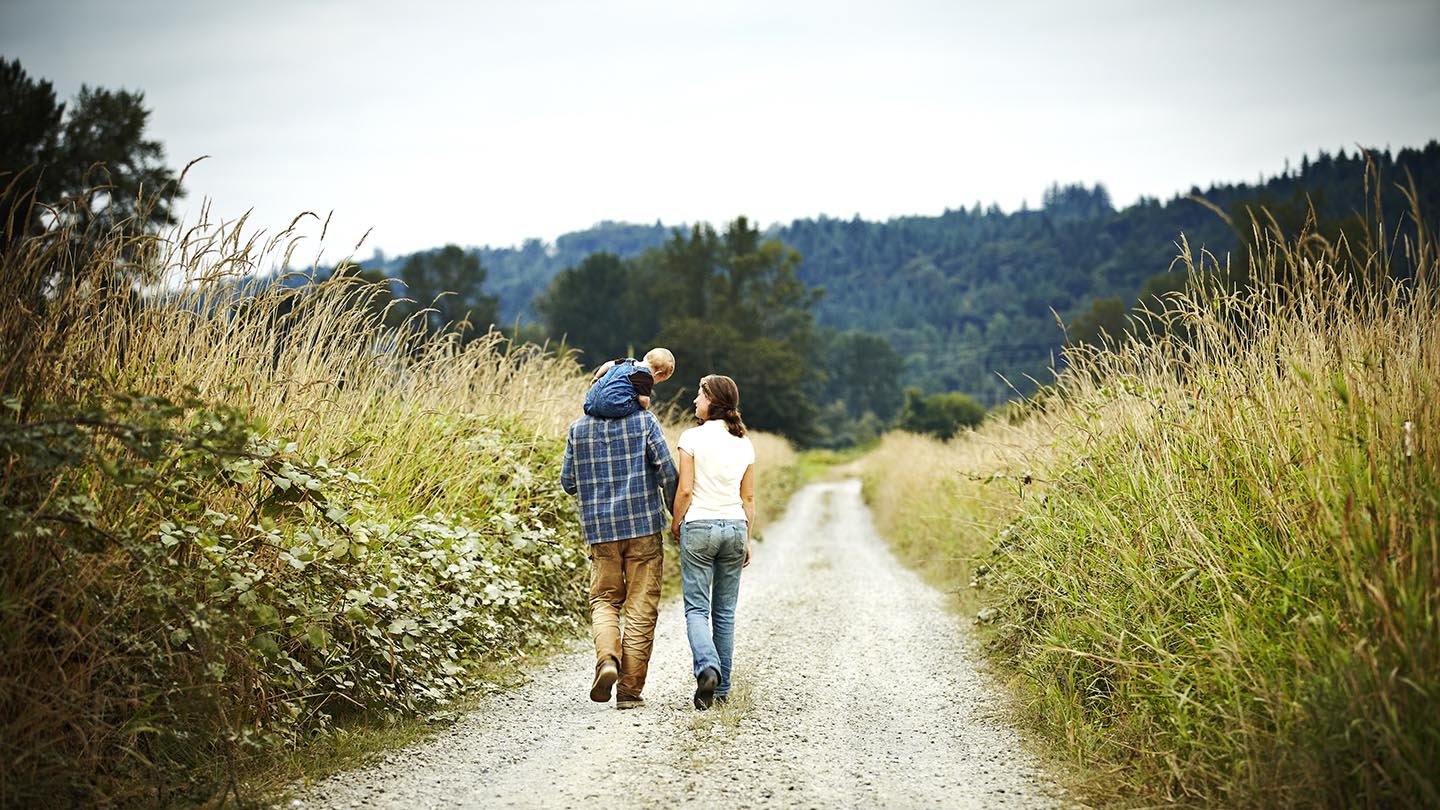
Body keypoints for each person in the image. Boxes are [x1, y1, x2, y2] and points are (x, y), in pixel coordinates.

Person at [561, 369, 678, 710]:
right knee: (641, 608)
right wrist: (675, 516)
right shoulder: (644, 422)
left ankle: (607, 660)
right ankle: (629, 692)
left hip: (600, 532)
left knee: (604, 601)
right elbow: (667, 471)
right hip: (643, 529)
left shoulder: (577, 429)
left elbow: (568, 482)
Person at [669, 374, 755, 710]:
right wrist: (746, 537)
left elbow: (686, 490)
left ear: (713, 401)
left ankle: (707, 668)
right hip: (734, 527)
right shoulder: (744, 442)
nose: (694, 401)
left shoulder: (691, 437)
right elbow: (747, 497)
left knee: (695, 609)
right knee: (725, 612)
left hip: (700, 526)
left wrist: (677, 524)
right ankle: (721, 691)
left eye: (699, 395)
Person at [583, 347, 675, 419]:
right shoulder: (646, 377)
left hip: (589, 402)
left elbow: (607, 364)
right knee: (637, 402)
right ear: (658, 374)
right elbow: (644, 400)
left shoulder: (626, 361)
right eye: (659, 381)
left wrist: (596, 377)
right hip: (611, 407)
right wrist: (645, 408)